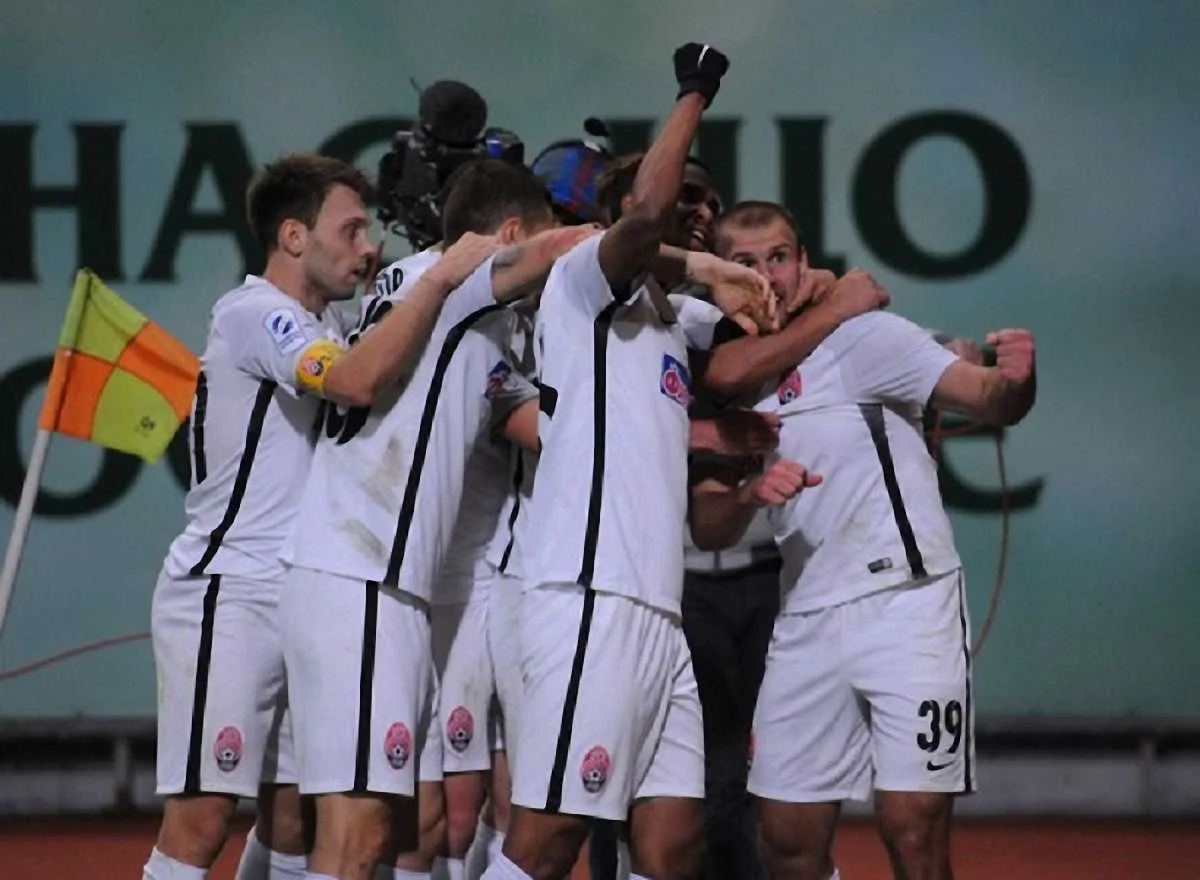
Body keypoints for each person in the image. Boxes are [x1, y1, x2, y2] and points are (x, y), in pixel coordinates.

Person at [483, 43, 797, 880]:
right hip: (591, 597)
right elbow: (645, 220)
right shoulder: (581, 284)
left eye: (710, 202)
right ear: (622, 215)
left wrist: (804, 295)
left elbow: (748, 356)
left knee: (671, 845)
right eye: (684, 196)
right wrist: (696, 90)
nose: (700, 211)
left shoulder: (673, 318)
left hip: (656, 609)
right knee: (549, 839)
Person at [145, 152, 489, 880]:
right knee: (202, 820)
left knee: (295, 819)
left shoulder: (326, 319)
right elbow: (355, 380)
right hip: (231, 591)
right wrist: (439, 277)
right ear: (294, 237)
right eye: (351, 229)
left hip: (307, 597)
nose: (366, 248)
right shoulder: (254, 314)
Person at [695, 200, 1037, 880]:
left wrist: (1017, 381)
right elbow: (708, 526)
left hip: (907, 604)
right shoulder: (728, 377)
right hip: (806, 615)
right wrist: (746, 495)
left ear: (803, 260)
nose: (767, 275)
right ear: (720, 276)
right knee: (786, 844)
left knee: (912, 828)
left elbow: (989, 398)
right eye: (745, 262)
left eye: (779, 257)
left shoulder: (867, 337)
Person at [278, 158, 596, 880]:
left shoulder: (448, 309)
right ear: (507, 236)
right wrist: (694, 263)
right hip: (361, 577)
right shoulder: (458, 279)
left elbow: (549, 430)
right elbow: (565, 250)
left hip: (378, 587)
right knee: (356, 834)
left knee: (378, 829)